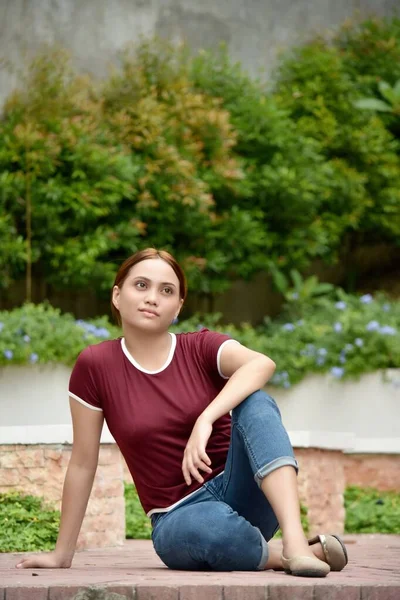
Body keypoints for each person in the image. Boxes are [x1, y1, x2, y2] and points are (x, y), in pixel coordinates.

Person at [16, 248, 348, 576]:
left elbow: (262, 363)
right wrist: (62, 554)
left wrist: (205, 419)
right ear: (117, 295)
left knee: (256, 401)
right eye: (141, 285)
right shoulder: (96, 366)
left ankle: (295, 541)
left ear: (178, 306)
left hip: (243, 491)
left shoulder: (199, 348)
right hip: (179, 518)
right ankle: (282, 557)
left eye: (167, 291)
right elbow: (83, 462)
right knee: (210, 529)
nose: (152, 298)